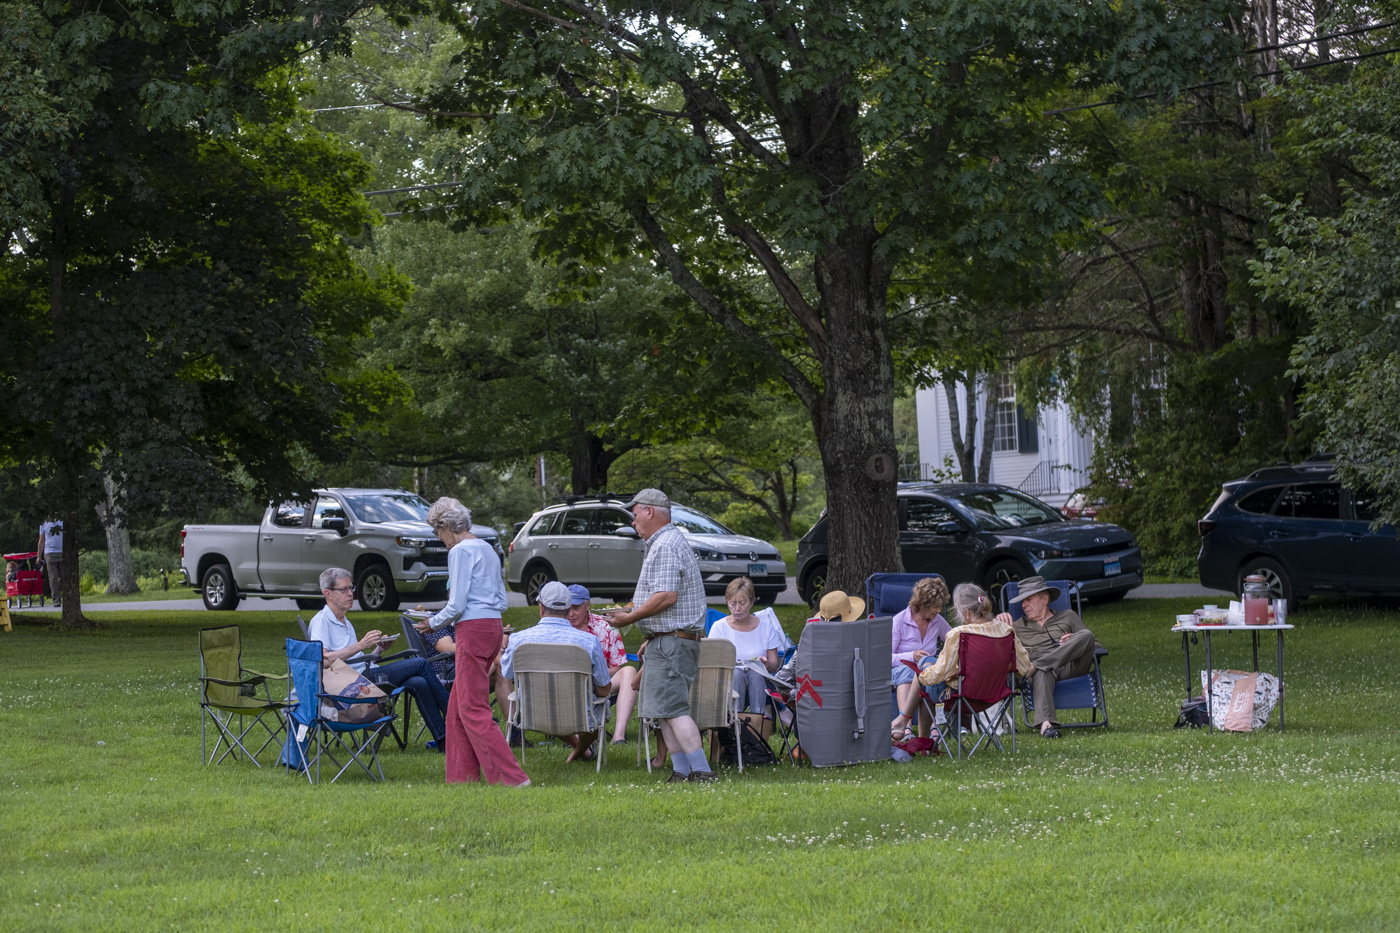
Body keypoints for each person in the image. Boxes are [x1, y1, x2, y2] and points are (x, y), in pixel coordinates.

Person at [606, 488, 717, 783]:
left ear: (650, 511)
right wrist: (651, 636)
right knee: (663, 710)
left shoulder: (666, 544)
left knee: (674, 710)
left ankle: (703, 772)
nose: (632, 521)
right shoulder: (664, 542)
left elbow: (667, 596)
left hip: (672, 642)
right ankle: (681, 771)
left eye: (635, 514)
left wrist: (630, 617)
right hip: (666, 639)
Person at [423, 497, 530, 787]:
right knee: (458, 707)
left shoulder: (459, 551)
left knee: (472, 708)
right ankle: (462, 778)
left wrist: (432, 622)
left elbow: (456, 604)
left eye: (437, 531)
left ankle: (512, 778)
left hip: (472, 629)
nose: (439, 537)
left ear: (446, 526)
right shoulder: (488, 548)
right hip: (493, 626)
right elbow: (501, 601)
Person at [306, 567, 451, 751]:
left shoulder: (344, 621)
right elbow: (322, 660)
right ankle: (454, 713)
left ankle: (444, 741)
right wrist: (360, 645)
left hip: (363, 675)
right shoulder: (322, 621)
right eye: (343, 589)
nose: (350, 593)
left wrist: (379, 649)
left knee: (419, 683)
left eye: (351, 588)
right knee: (420, 663)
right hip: (348, 685)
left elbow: (359, 660)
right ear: (328, 593)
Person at [502, 581, 613, 762]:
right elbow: (603, 690)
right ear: (569, 610)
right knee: (600, 707)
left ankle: (579, 752)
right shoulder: (589, 642)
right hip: (581, 716)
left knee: (550, 701)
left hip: (533, 713)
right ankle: (581, 751)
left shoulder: (518, 640)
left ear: (541, 608)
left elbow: (507, 674)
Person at [908, 583, 1032, 729]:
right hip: (995, 695)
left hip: (962, 698)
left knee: (925, 669)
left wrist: (923, 672)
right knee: (930, 665)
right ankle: (908, 724)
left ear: (967, 612)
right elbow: (1025, 666)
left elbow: (939, 674)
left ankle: (918, 733)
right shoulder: (1006, 631)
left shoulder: (959, 634)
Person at [1001, 575, 1104, 739]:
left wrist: (1073, 640)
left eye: (1028, 599)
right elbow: (993, 642)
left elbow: (1096, 645)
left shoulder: (1068, 616)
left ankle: (1040, 664)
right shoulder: (1018, 626)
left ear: (1045, 599)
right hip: (1040, 672)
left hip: (1070, 666)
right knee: (1042, 671)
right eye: (1022, 601)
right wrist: (997, 621)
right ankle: (1046, 725)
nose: (1023, 605)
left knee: (1086, 634)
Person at [565, 584, 638, 745]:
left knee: (629, 671)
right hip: (568, 684)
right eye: (567, 608)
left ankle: (619, 736)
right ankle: (570, 733)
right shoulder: (560, 627)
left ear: (588, 605)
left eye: (576, 608)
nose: (570, 613)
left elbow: (617, 665)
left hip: (600, 683)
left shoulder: (605, 626)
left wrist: (594, 676)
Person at [707, 576, 786, 719]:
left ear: (751, 602)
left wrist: (767, 664)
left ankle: (756, 721)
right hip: (728, 679)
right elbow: (711, 663)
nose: (737, 609)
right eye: (732, 603)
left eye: (742, 603)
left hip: (759, 678)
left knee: (756, 673)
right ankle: (735, 722)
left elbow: (775, 665)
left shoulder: (766, 627)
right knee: (737, 674)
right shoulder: (719, 627)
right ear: (727, 602)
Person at [888, 576, 952, 740]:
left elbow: (954, 641)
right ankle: (906, 729)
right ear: (922, 604)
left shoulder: (937, 621)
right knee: (910, 672)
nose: (938, 610)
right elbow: (886, 657)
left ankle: (932, 728)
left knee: (930, 675)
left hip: (926, 671)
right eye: (935, 606)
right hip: (900, 670)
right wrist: (912, 656)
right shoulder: (899, 621)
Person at [36, 518, 63, 607]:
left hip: (62, 552)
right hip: (49, 553)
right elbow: (41, 540)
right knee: (53, 577)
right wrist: (39, 556)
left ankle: (64, 595)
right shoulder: (43, 524)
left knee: (64, 576)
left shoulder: (62, 522)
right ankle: (56, 600)